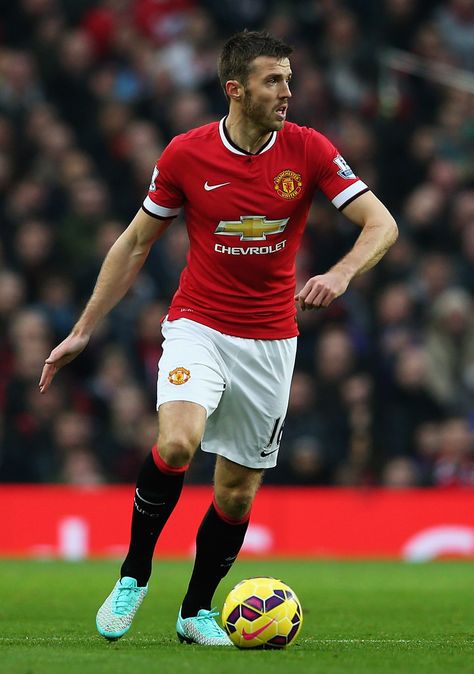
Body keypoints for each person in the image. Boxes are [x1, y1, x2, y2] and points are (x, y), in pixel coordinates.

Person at [39, 30, 398, 646]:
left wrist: (340, 274)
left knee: (235, 492)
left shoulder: (309, 150)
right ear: (235, 89)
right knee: (177, 444)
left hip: (270, 341)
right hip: (198, 324)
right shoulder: (185, 155)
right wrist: (82, 330)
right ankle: (133, 575)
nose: (287, 91)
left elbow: (381, 223)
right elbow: (134, 243)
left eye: (288, 78)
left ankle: (195, 611)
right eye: (273, 81)